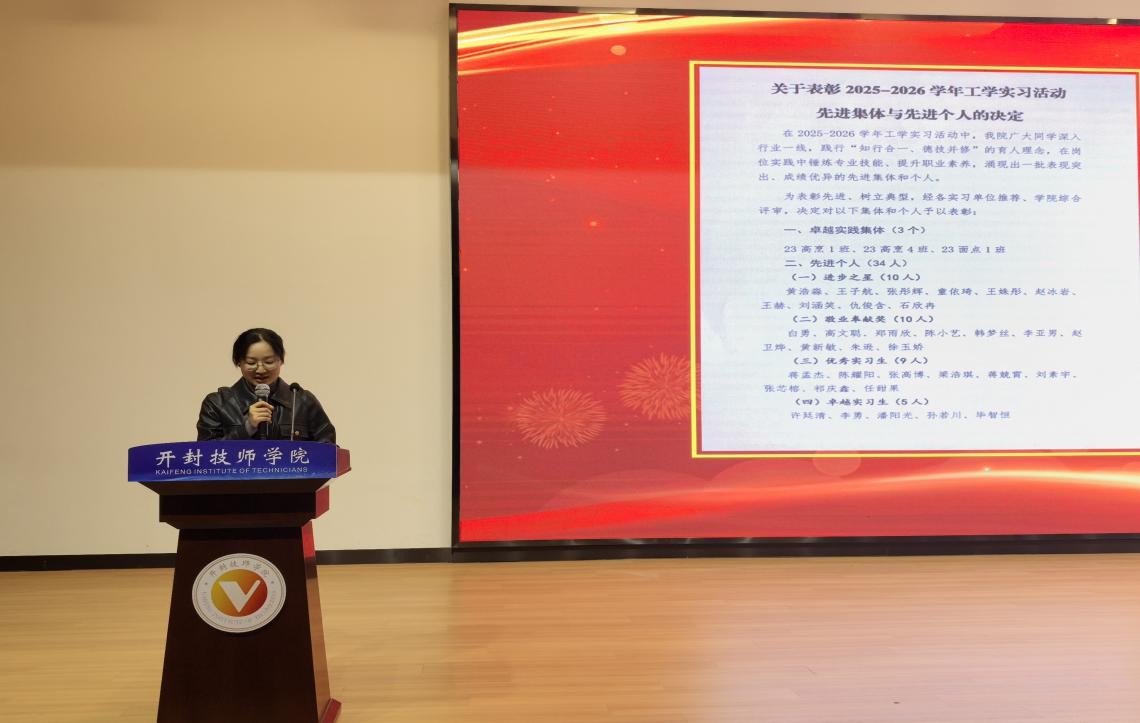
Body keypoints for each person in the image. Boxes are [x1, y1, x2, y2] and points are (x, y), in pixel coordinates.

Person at [196, 328, 336, 443]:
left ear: (281, 360)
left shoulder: (302, 401)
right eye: (251, 362)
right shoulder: (218, 404)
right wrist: (247, 428)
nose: (261, 370)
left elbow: (328, 451)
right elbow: (204, 456)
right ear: (239, 362)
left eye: (269, 362)